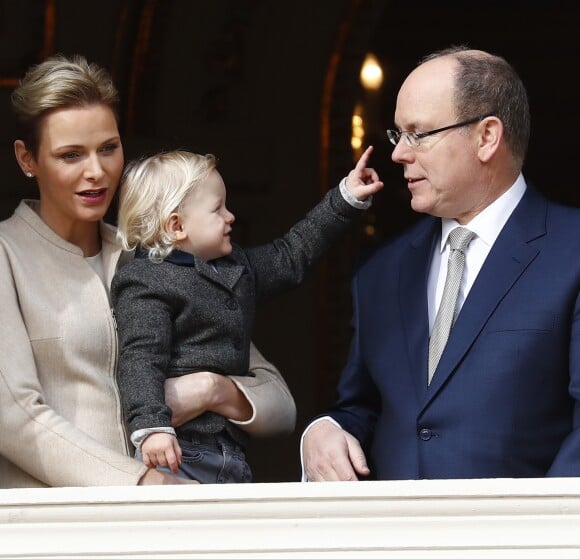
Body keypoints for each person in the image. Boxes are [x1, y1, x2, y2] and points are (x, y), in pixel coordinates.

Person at [0, 54, 297, 488]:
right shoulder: (7, 256)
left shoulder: (157, 257)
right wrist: (142, 483)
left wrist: (211, 389)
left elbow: (279, 403)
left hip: (169, 528)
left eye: (108, 148)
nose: (96, 171)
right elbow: (14, 415)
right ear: (28, 159)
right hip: (60, 534)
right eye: (70, 155)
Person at [302, 45, 580, 481]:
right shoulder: (381, 271)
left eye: (419, 133)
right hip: (394, 542)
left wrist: (534, 538)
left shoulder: (572, 251)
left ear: (487, 136)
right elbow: (366, 409)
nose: (398, 154)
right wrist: (324, 431)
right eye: (399, 135)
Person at [111, 147, 383, 483]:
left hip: (231, 452)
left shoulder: (236, 268)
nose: (230, 217)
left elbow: (291, 254)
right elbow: (140, 357)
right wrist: (151, 427)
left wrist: (344, 200)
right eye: (217, 209)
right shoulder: (145, 282)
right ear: (176, 226)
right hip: (178, 451)